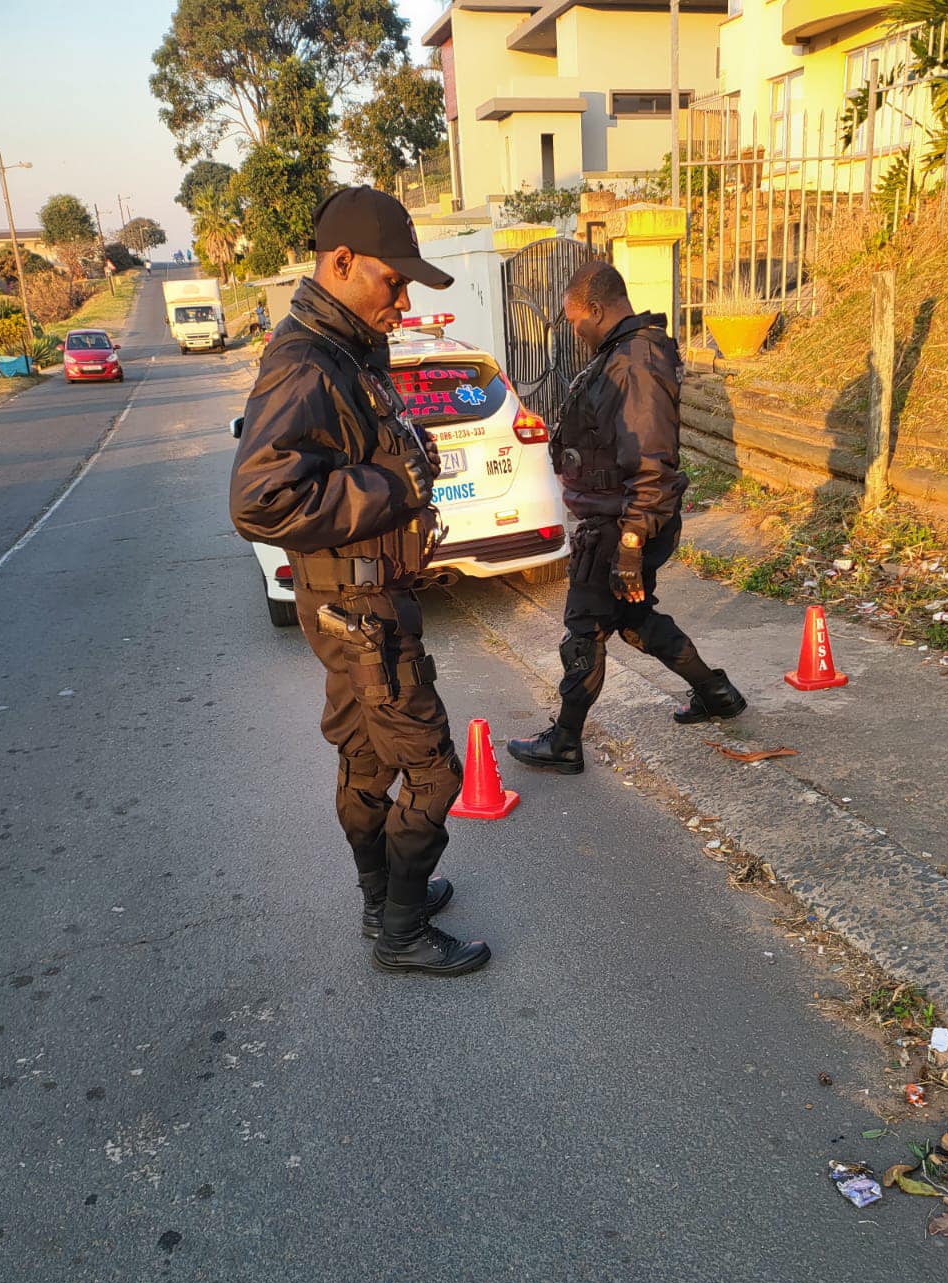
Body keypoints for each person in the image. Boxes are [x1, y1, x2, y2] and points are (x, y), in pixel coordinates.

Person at [229, 186, 490, 977]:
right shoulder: (307, 361)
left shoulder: (344, 349)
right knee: (437, 770)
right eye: (393, 280)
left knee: (369, 761)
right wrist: (396, 490)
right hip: (360, 607)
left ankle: (383, 901)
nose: (403, 299)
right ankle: (402, 933)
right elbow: (260, 497)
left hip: (356, 601)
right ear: (340, 263)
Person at [507, 262, 746, 777]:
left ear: (596, 308)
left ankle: (565, 741)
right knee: (635, 619)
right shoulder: (621, 354)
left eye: (575, 321)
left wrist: (631, 545)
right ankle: (717, 694)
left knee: (585, 629)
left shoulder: (635, 360)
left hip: (619, 526)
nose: (574, 332)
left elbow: (651, 460)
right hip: (617, 521)